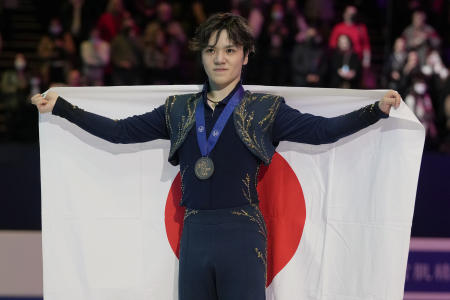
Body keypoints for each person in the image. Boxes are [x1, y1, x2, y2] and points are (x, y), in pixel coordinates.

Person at [31, 13, 401, 300]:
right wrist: (62, 107)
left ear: (245, 55)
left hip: (243, 237)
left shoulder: (265, 110)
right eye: (211, 50)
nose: (219, 58)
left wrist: (375, 110)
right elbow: (120, 131)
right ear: (202, 56)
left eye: (229, 49)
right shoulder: (178, 110)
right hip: (193, 236)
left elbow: (322, 132)